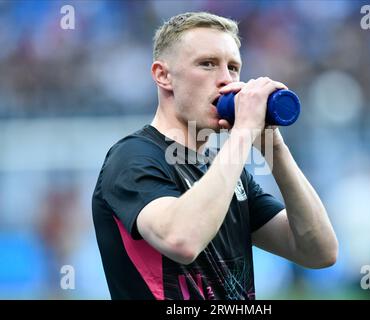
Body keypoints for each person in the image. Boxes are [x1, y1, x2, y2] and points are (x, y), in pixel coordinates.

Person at [92, 11, 338, 300]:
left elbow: (319, 252)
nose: (226, 80)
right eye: (207, 64)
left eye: (233, 68)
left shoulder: (225, 172)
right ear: (163, 75)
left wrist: (275, 150)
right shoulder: (132, 157)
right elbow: (182, 239)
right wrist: (243, 132)